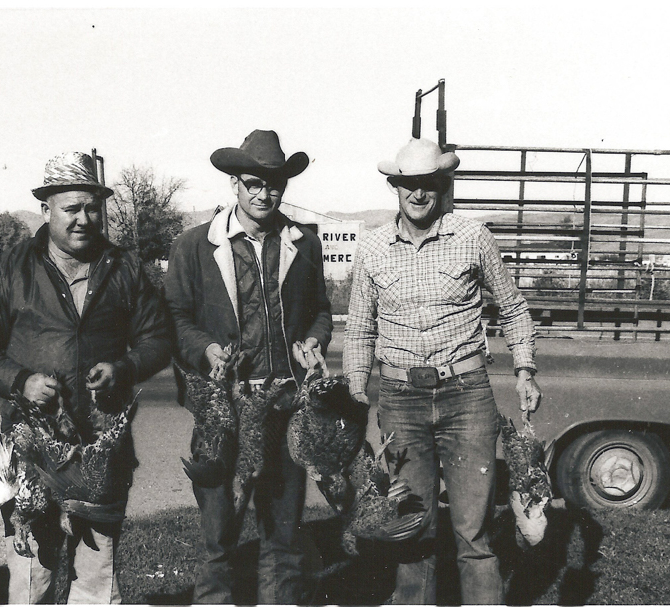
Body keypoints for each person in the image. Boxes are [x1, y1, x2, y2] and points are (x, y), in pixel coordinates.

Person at [0, 151, 171, 604]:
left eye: (93, 208)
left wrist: (124, 368)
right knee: (34, 572)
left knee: (98, 573)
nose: (84, 220)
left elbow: (158, 338)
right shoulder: (11, 269)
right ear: (46, 208)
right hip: (32, 446)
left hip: (101, 445)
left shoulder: (124, 267)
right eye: (71, 208)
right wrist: (20, 381)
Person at [343, 138, 542, 604]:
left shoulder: (473, 237)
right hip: (400, 400)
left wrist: (525, 368)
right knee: (413, 529)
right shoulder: (371, 247)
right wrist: (355, 393)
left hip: (467, 396)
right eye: (408, 185)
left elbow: (513, 308)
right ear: (395, 186)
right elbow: (358, 331)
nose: (418, 194)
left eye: (427, 184)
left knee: (473, 532)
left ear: (441, 184)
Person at [164, 129, 333, 603]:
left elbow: (320, 310)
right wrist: (205, 350)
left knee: (282, 536)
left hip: (286, 404)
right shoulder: (195, 246)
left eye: (274, 184)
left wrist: (314, 340)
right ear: (234, 184)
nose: (265, 193)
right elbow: (174, 317)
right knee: (220, 536)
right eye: (254, 183)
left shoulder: (304, 244)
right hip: (226, 409)